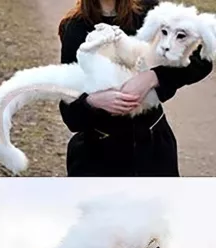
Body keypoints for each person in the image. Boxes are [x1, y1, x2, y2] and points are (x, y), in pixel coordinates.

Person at [58, 0, 213, 176]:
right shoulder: (74, 28)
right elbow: (70, 112)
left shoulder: (150, 12)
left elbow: (202, 61)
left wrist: (155, 77)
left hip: (154, 149)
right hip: (97, 157)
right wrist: (93, 102)